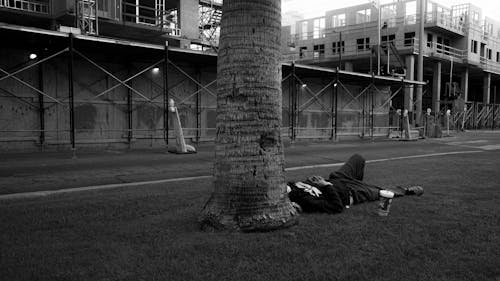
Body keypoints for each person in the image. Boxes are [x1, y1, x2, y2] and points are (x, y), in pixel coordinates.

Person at [287, 154, 423, 214]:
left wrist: (312, 180)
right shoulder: (304, 201)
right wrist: (325, 185)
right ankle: (406, 191)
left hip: (337, 178)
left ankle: (359, 182)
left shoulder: (292, 186)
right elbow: (336, 207)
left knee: (358, 159)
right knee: (380, 192)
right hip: (349, 192)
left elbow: (302, 185)